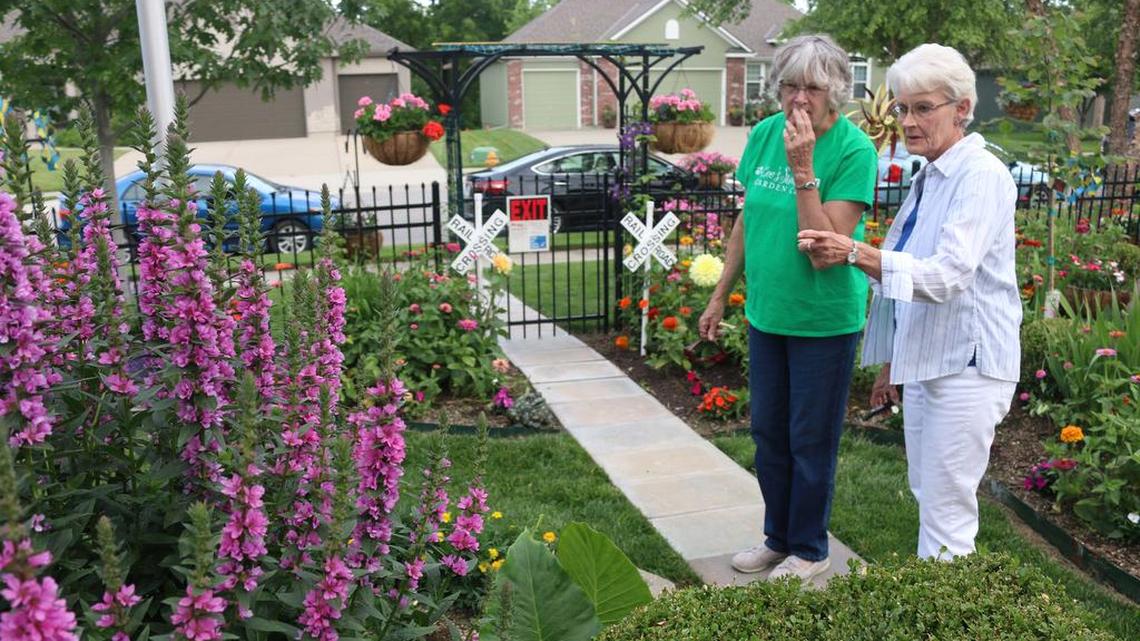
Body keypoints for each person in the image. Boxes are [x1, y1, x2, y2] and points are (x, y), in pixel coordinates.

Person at [798, 43, 1021, 560]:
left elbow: (946, 276)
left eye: (924, 107)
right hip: (929, 363)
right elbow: (909, 276)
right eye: (902, 108)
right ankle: (938, 609)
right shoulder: (931, 176)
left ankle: (945, 620)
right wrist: (894, 362)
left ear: (962, 108)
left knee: (947, 511)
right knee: (931, 495)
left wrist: (854, 250)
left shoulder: (980, 176)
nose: (908, 120)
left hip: (969, 366)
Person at [698, 34, 877, 582]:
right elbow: (748, 219)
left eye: (814, 87)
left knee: (809, 437)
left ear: (838, 93)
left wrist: (803, 167)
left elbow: (825, 249)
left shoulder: (854, 150)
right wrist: (721, 290)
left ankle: (811, 547)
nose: (799, 99)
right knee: (769, 434)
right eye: (790, 85)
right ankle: (779, 538)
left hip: (823, 320)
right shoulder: (763, 134)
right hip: (767, 313)